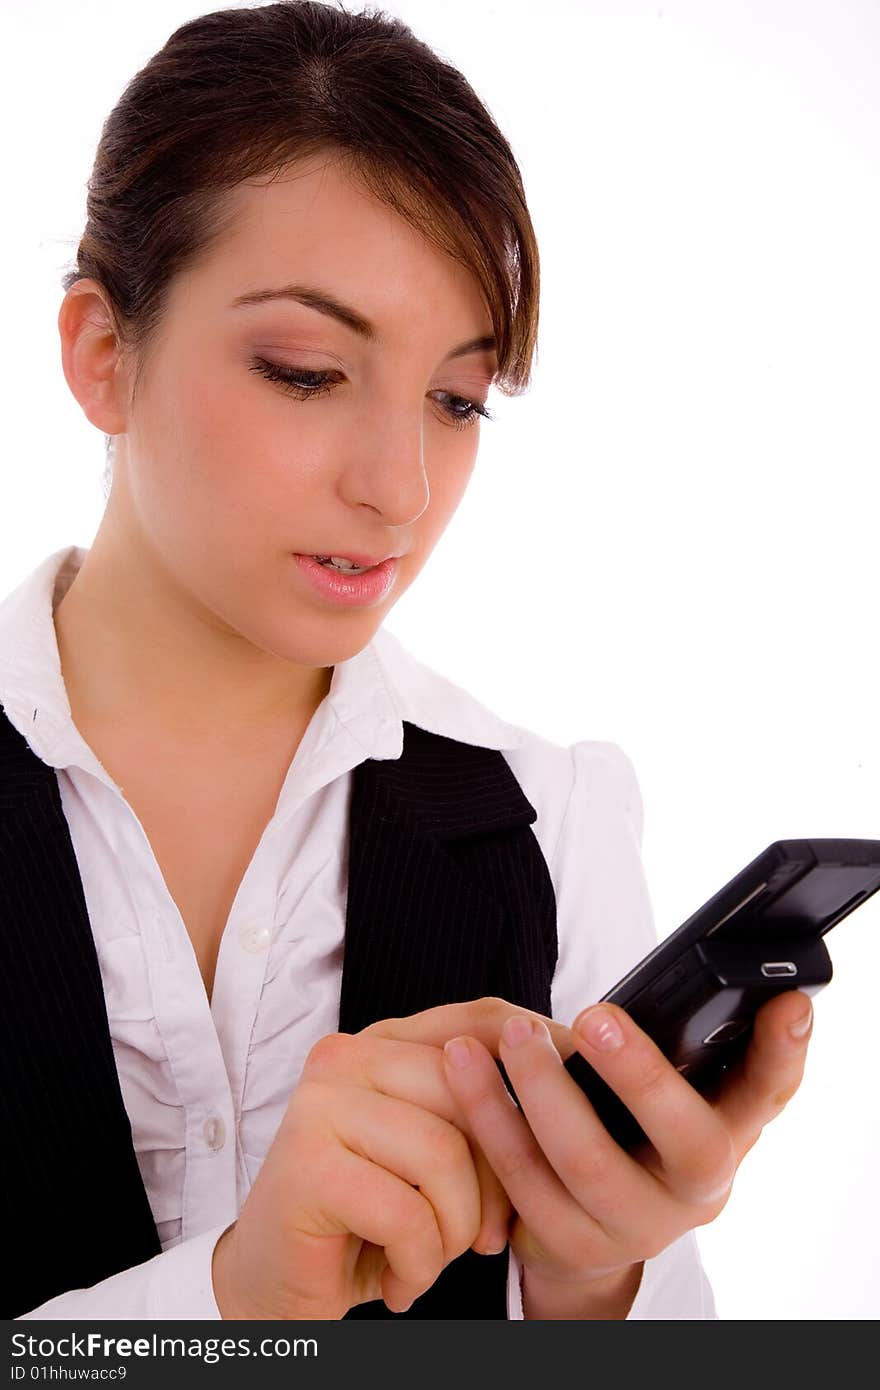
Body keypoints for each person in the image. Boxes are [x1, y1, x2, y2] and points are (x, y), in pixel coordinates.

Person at [0, 0, 813, 1321]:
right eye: (309, 370)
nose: (402, 486)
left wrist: (590, 1276)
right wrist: (233, 1299)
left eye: (457, 398)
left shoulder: (547, 824)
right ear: (102, 354)